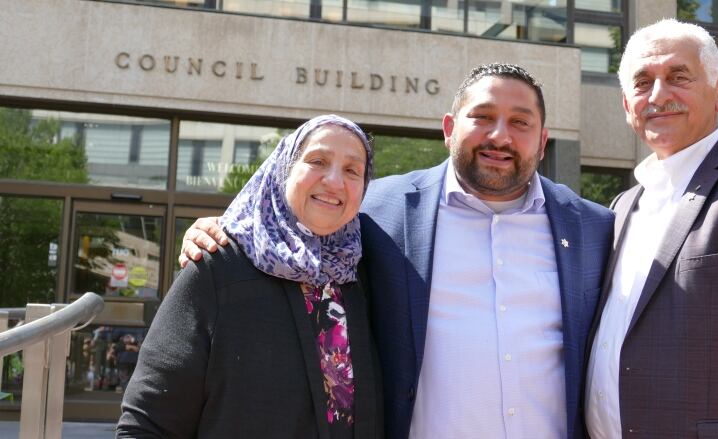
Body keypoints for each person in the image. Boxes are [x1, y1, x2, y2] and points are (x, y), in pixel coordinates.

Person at [180, 63, 614, 438]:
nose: (500, 135)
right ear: (449, 129)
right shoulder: (375, 211)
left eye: (520, 122)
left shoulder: (593, 228)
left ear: (542, 140)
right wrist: (228, 235)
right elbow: (297, 236)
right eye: (482, 116)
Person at [117, 115, 383, 438]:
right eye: (318, 160)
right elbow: (147, 424)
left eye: (352, 170)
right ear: (284, 168)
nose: (334, 181)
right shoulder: (219, 266)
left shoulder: (368, 273)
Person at [585, 19, 718, 438]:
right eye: (642, 83)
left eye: (678, 77)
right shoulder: (620, 209)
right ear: (625, 105)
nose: (658, 95)